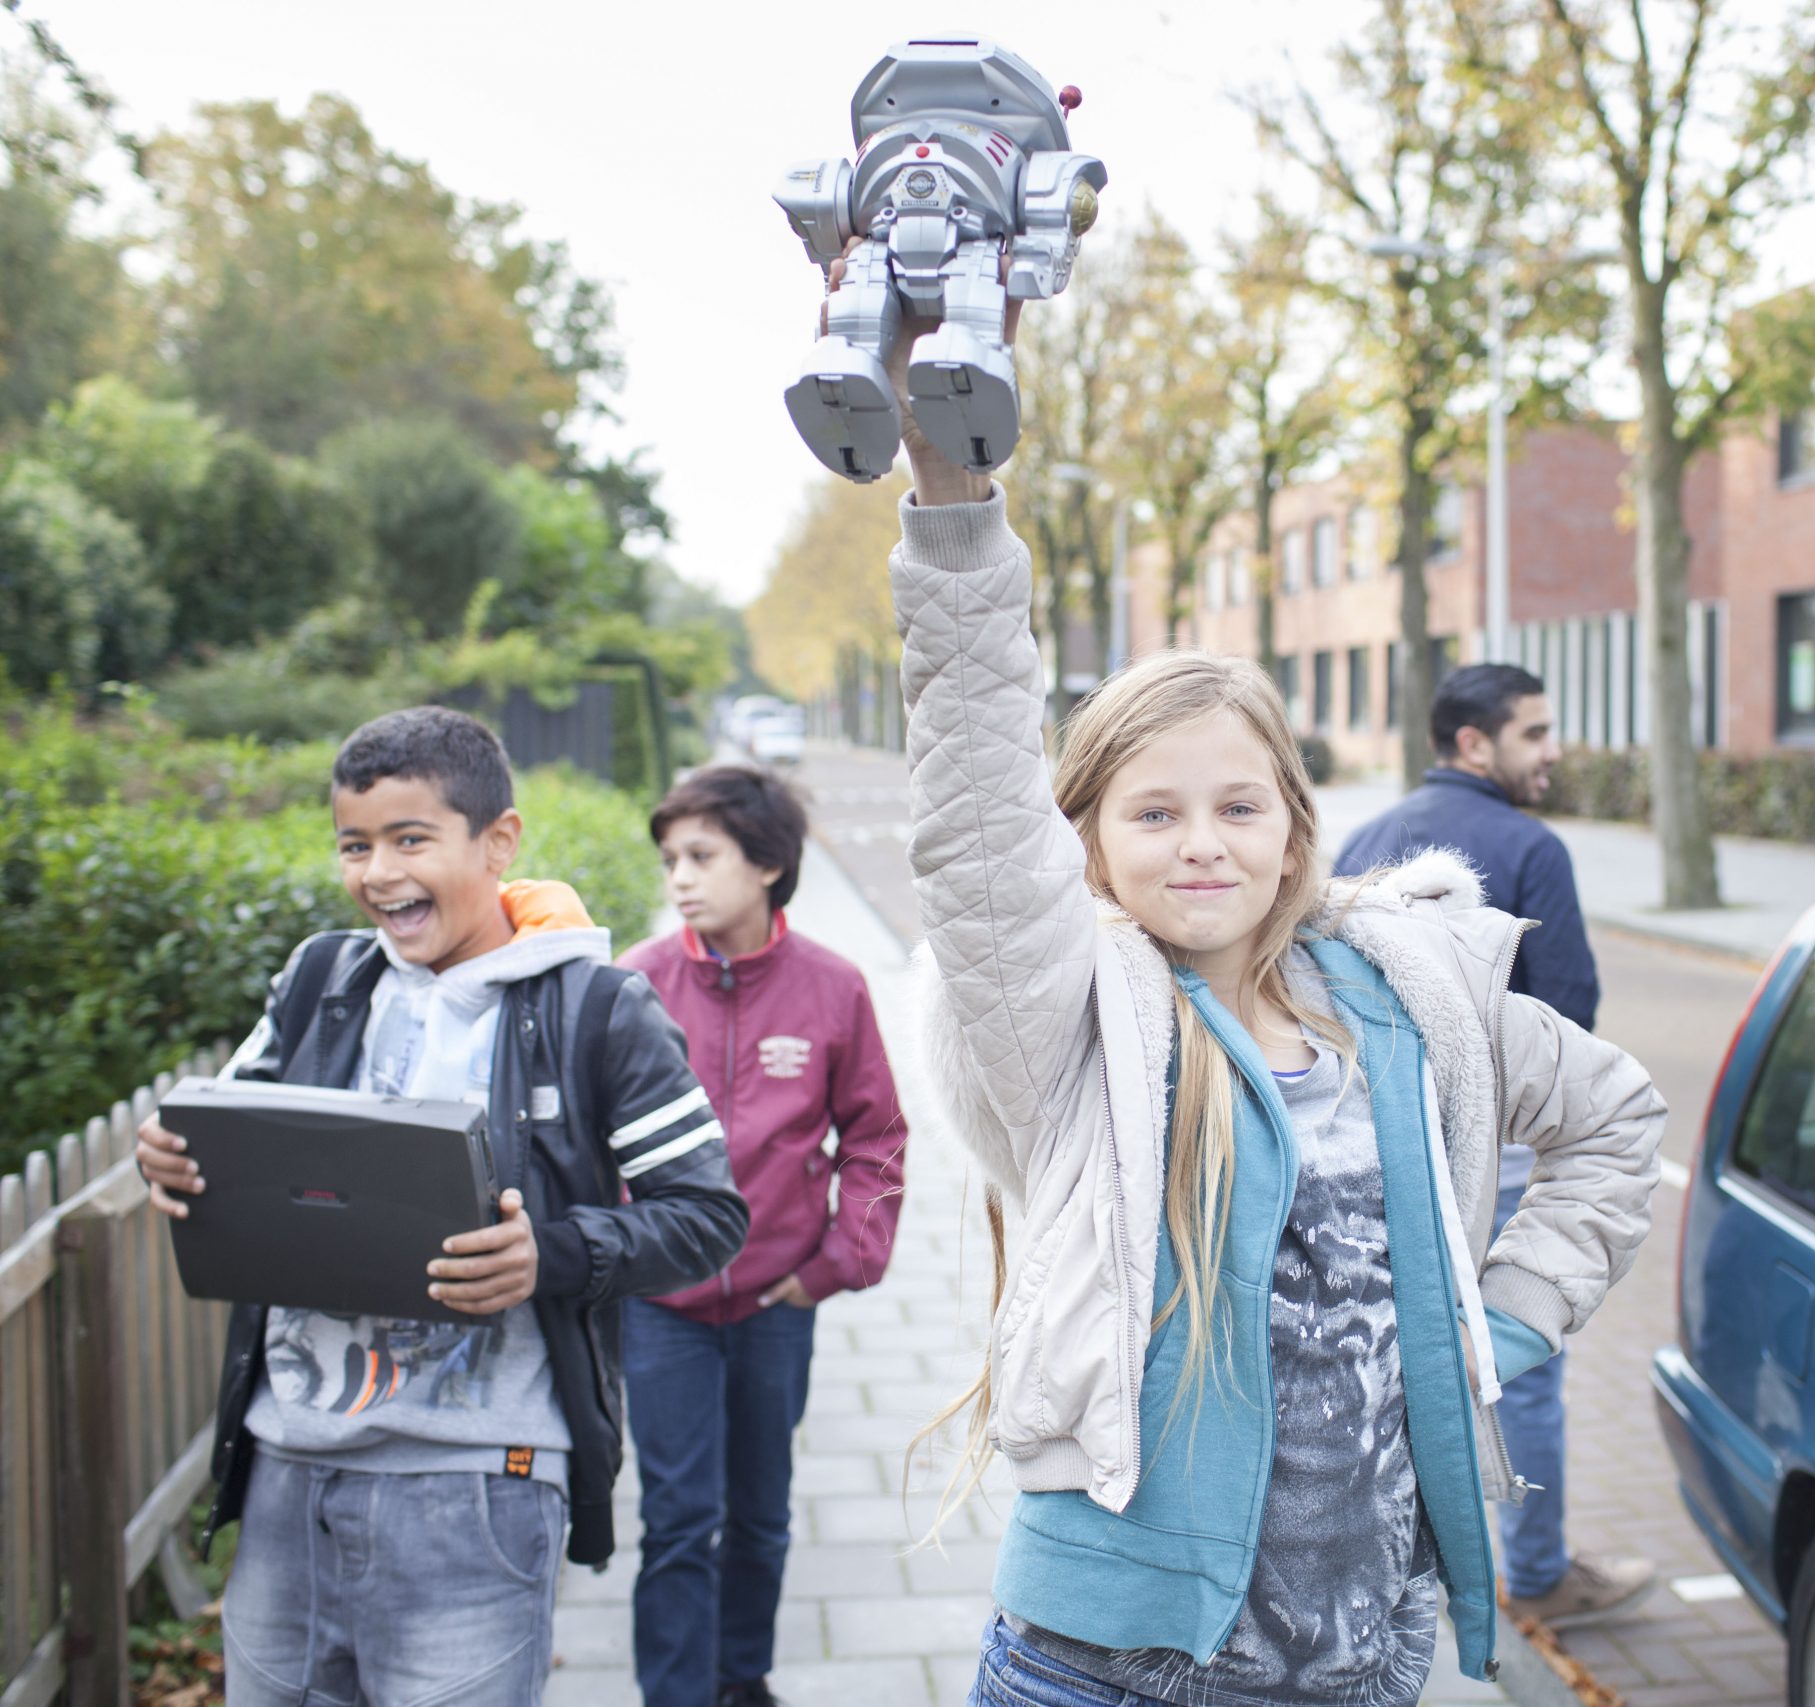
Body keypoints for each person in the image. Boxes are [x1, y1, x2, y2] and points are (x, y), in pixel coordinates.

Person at [872, 309, 1665, 1706]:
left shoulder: (1407, 989)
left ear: (1298, 829)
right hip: (1104, 1666)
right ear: (1090, 840)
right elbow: (977, 809)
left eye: (1239, 805)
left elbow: (1613, 1120)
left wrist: (1504, 1319)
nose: (1202, 842)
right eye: (1155, 809)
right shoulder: (1069, 1022)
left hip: (1361, 1661)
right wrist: (953, 507)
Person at [136, 707, 749, 1707]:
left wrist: (548, 1255)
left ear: (497, 841)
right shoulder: (317, 981)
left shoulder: (597, 1010)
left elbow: (706, 1216)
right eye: (355, 845)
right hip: (288, 1475)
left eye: (410, 839)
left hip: (477, 1485)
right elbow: (221, 1132)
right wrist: (166, 1157)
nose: (379, 872)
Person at [1336, 665, 1651, 1629]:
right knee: (1523, 1362)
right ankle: (1541, 1572)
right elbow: (1570, 1019)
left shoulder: (1361, 838)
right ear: (1476, 744)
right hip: (1501, 1148)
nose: (1551, 750)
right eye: (1536, 732)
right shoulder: (1531, 847)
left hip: (1378, 1148)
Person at [619, 764, 909, 1707]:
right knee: (676, 1518)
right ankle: (674, 1694)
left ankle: (740, 1676)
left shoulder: (832, 986)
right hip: (662, 1305)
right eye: (670, 859)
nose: (681, 878)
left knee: (761, 1515)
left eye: (702, 855)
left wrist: (835, 1263)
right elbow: (586, 1142)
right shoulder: (634, 985)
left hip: (778, 1299)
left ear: (769, 863)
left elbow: (875, 1136)